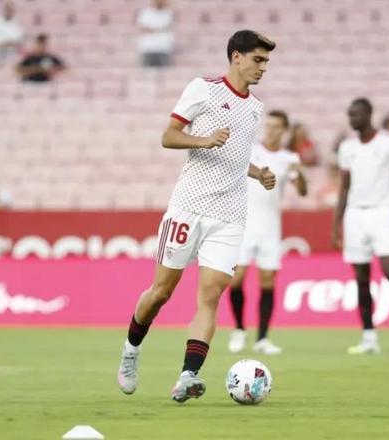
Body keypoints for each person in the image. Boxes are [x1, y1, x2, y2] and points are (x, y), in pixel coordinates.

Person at [116, 30, 276, 403]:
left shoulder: (255, 107)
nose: (263, 68)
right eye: (258, 59)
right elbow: (169, 136)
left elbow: (236, 157)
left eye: (266, 62)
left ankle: (188, 376)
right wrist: (204, 139)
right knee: (161, 292)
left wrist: (258, 173)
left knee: (211, 295)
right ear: (236, 57)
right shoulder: (203, 89)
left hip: (230, 216)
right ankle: (131, 350)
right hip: (189, 207)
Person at [332, 98, 389, 356]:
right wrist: (336, 225)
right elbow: (344, 188)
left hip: (383, 212)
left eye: (356, 114)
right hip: (355, 215)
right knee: (361, 279)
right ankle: (368, 336)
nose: (352, 119)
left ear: (369, 114)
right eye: (349, 114)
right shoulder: (347, 148)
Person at [228, 110, 308, 355]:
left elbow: (302, 191)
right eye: (268, 125)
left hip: (270, 227)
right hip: (244, 224)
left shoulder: (289, 157)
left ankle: (262, 338)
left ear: (284, 130)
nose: (270, 130)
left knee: (267, 281)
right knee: (236, 279)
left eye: (275, 126)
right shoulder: (251, 151)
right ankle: (239, 329)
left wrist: (299, 172)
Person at [137, 0, 174, 67]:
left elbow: (169, 26)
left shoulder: (168, 13)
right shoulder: (146, 12)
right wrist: (160, 29)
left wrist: (154, 29)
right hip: (148, 48)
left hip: (164, 48)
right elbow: (143, 28)